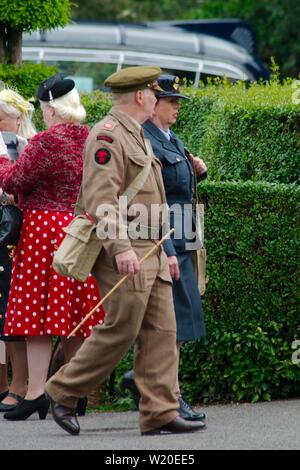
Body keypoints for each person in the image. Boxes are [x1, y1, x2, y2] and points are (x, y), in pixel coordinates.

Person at [45, 66, 206, 436]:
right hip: (127, 246)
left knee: (162, 331)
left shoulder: (138, 135)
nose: (157, 97)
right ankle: (64, 391)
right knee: (121, 328)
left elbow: (157, 199)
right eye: (154, 92)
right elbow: (102, 200)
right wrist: (120, 248)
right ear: (140, 96)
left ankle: (160, 411)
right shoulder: (108, 136)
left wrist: (165, 249)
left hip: (151, 247)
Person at [0, 73, 105, 421]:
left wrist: (2, 158)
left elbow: (14, 182)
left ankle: (36, 393)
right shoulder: (89, 138)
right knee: (73, 315)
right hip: (78, 229)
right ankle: (72, 391)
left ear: (51, 110)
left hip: (43, 230)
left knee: (37, 317)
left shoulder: (46, 142)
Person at [121, 75, 208, 420]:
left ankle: (147, 381)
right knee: (170, 323)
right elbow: (152, 199)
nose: (177, 108)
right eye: (172, 102)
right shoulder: (147, 142)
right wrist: (168, 248)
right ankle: (167, 394)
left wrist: (196, 170)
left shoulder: (171, 138)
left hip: (184, 236)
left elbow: (177, 185)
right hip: (164, 238)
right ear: (153, 104)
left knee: (180, 321)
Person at [0, 89, 36, 412]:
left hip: (21, 235)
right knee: (5, 313)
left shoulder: (32, 145)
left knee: (18, 312)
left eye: (1, 119)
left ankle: (26, 384)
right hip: (7, 233)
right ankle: (12, 383)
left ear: (17, 118)